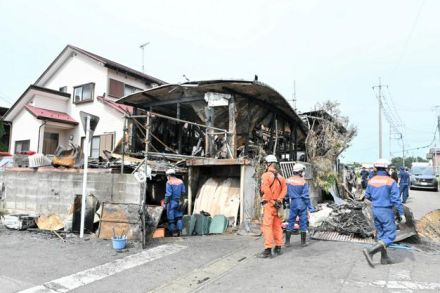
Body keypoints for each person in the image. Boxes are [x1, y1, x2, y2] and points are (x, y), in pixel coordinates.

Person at [363, 158, 406, 268]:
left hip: (375, 210)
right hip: (386, 210)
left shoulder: (371, 181)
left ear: (376, 168)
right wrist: (401, 214)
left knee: (381, 235)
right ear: (387, 169)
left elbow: (367, 196)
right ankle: (370, 251)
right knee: (391, 235)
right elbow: (396, 199)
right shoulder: (390, 181)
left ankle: (384, 258)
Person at [258, 154, 287, 258]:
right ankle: (278, 247)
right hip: (278, 206)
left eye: (266, 163)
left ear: (268, 163)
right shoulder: (281, 177)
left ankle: (268, 250)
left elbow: (266, 190)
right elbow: (284, 190)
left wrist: (272, 202)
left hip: (269, 205)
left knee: (267, 227)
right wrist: (279, 200)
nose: (265, 165)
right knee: (277, 226)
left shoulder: (265, 176)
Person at [285, 163, 315, 247]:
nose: (303, 173)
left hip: (293, 203)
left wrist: (287, 202)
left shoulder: (288, 180)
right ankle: (303, 243)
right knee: (303, 222)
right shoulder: (303, 181)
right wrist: (310, 207)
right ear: (299, 172)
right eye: (302, 171)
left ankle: (287, 242)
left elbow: (286, 194)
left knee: (290, 221)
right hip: (302, 203)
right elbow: (306, 196)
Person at [163, 168, 186, 236]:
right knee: (179, 218)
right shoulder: (180, 181)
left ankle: (173, 233)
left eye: (167, 176)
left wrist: (165, 203)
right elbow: (183, 192)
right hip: (179, 202)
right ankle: (180, 232)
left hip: (171, 203)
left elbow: (168, 194)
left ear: (169, 176)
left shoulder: (169, 182)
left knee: (171, 220)